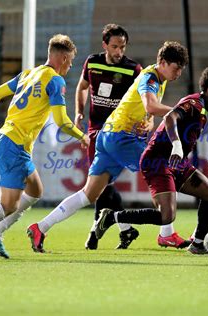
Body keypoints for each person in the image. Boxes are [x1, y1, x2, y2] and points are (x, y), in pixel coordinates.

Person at [27, 41, 190, 253]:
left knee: (88, 194)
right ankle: (167, 234)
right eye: (176, 68)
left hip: (109, 136)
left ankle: (40, 227)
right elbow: (151, 105)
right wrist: (179, 111)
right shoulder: (149, 77)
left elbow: (148, 110)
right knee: (162, 169)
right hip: (121, 137)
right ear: (163, 62)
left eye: (181, 70)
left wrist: (149, 122)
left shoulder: (160, 79)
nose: (178, 73)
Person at [0, 34, 89, 260]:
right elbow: (62, 121)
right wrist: (82, 136)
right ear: (63, 58)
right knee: (8, 204)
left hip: (9, 139)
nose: (71, 65)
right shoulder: (55, 80)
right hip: (14, 143)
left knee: (35, 190)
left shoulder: (28, 74)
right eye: (71, 60)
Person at [93, 65, 208, 255]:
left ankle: (198, 244)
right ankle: (111, 217)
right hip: (157, 160)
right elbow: (170, 117)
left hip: (177, 163)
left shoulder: (202, 110)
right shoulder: (194, 104)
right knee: (166, 216)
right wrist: (177, 145)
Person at [74, 24, 142, 250]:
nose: (119, 51)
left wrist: (147, 120)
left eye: (122, 47)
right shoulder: (92, 62)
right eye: (114, 46)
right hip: (96, 131)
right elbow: (82, 86)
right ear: (104, 45)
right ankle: (126, 229)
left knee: (100, 185)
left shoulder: (133, 69)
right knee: (104, 184)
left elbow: (145, 98)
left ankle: (96, 233)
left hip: (120, 134)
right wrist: (78, 111)